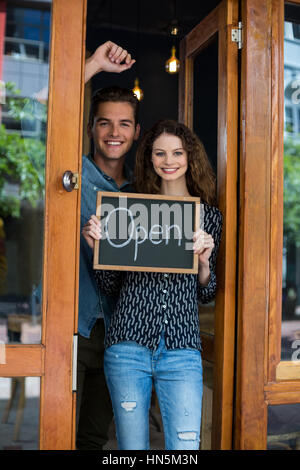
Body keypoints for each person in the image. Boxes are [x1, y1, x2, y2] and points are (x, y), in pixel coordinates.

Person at [82, 119, 223, 450]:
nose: (169, 161)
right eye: (159, 153)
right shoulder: (131, 207)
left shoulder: (209, 217)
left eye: (177, 152)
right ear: (150, 159)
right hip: (128, 344)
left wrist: (203, 263)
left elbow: (207, 292)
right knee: (131, 450)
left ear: (190, 157)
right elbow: (111, 285)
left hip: (182, 348)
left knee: (185, 448)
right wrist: (97, 248)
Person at [76, 41, 140, 450]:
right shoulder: (71, 173)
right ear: (90, 128)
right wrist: (93, 66)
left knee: (93, 438)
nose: (114, 133)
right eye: (104, 123)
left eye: (124, 124)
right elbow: (29, 113)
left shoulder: (143, 195)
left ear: (136, 132)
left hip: (118, 332)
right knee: (53, 425)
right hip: (71, 323)